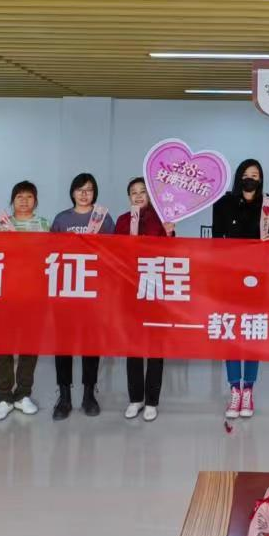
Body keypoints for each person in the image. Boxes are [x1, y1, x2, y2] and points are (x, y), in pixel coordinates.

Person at [211, 158, 269, 420]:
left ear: (260, 179)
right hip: (230, 278)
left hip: (258, 279)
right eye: (247, 174)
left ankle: (248, 389)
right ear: (239, 176)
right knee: (232, 333)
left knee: (252, 333)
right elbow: (216, 242)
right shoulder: (223, 204)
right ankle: (234, 389)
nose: (251, 178)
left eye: (256, 174)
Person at [50, 173, 115, 420]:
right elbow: (50, 251)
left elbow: (114, 251)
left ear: (94, 193)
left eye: (88, 189)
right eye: (79, 189)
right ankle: (64, 395)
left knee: (90, 342)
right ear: (72, 192)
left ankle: (89, 394)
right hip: (65, 289)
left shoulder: (103, 218)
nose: (84, 194)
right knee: (63, 343)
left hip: (93, 290)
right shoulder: (62, 219)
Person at [114, 178, 176, 422]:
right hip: (130, 292)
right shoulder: (122, 221)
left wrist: (170, 233)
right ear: (129, 196)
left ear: (150, 196)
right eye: (134, 192)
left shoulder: (161, 220)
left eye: (143, 192)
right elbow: (113, 254)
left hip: (155, 290)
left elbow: (172, 253)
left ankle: (152, 400)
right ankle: (135, 398)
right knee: (133, 347)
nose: (138, 196)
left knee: (155, 347)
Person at [0, 180, 48, 422]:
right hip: (5, 292)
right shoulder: (0, 224)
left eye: (29, 196)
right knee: (3, 346)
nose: (24, 201)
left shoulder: (43, 224)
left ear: (35, 200)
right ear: (12, 200)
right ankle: (4, 397)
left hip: (33, 293)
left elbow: (49, 255)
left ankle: (23, 394)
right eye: (19, 197)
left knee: (29, 345)